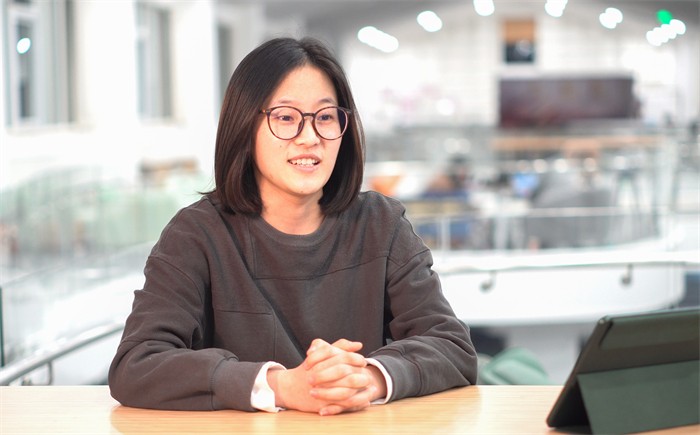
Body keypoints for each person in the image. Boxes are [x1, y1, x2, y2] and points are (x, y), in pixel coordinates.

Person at [108, 36, 477, 416]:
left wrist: (365, 379)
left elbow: (452, 346)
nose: (310, 137)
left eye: (325, 117)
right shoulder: (196, 234)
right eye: (286, 117)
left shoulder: (381, 225)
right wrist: (281, 386)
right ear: (244, 126)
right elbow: (137, 363)